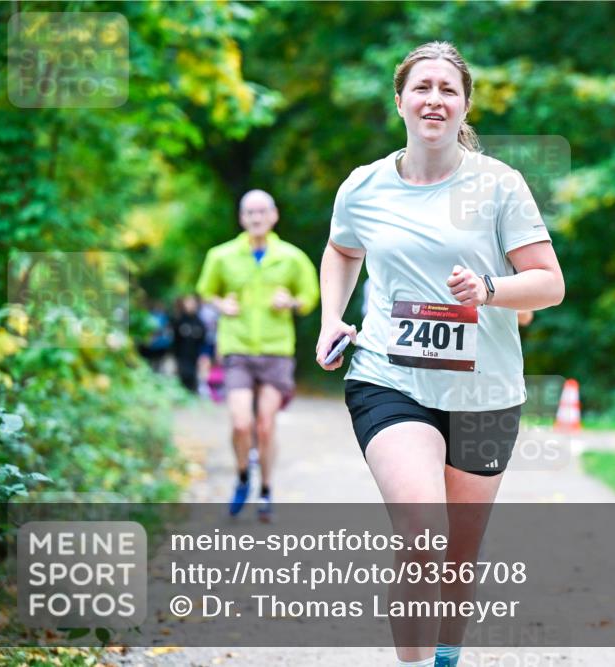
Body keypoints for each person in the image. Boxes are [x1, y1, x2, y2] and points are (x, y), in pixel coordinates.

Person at [316, 41, 564, 667]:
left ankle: (447, 657)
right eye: (422, 87)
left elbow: (549, 284)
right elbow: (343, 249)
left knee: (459, 550)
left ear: (464, 105)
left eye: (448, 89)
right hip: (388, 377)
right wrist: (330, 318)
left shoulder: (500, 184)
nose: (434, 98)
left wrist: (486, 289)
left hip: (486, 390)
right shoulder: (364, 185)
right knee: (423, 534)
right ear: (399, 100)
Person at [196, 189, 320, 522]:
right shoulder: (221, 256)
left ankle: (265, 489)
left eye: (262, 211)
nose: (256, 217)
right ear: (241, 218)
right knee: (241, 422)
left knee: (265, 426)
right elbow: (205, 293)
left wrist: (291, 302)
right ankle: (241, 476)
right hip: (236, 348)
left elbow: (310, 296)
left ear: (274, 215)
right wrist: (222, 304)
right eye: (249, 212)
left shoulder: (291, 257)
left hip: (276, 350)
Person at [171, 294, 207, 392]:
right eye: (188, 302)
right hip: (181, 356)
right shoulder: (179, 320)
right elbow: (175, 340)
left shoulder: (200, 322)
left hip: (194, 356)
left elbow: (203, 341)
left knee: (192, 377)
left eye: (192, 302)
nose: (190, 305)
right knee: (183, 376)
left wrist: (203, 356)